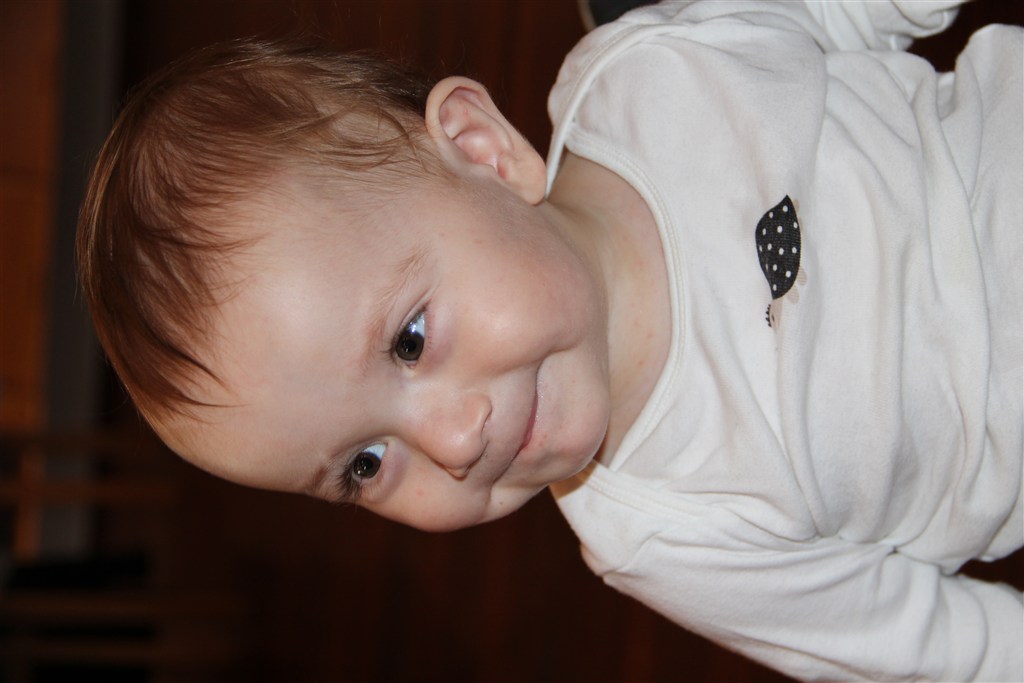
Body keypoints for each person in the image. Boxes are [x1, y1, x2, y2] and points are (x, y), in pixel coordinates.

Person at [78, 1, 1022, 680]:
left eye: (409, 340)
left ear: (483, 153)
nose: (454, 443)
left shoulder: (651, 80)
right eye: (364, 465)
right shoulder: (663, 533)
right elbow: (934, 645)